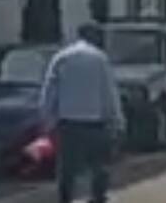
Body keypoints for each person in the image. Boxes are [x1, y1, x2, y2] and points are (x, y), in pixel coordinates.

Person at [41, 23, 126, 203]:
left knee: (67, 169)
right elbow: (109, 92)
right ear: (94, 37)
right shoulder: (100, 59)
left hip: (68, 122)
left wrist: (48, 121)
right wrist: (117, 121)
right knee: (99, 166)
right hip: (94, 122)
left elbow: (49, 91)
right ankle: (97, 198)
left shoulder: (61, 58)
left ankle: (65, 199)